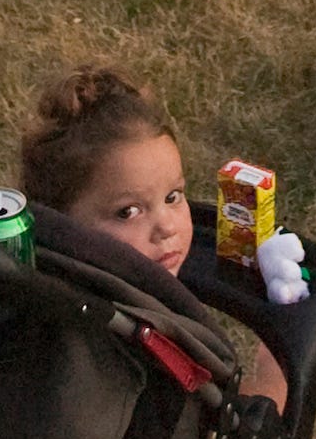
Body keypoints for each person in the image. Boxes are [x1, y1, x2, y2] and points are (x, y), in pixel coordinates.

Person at [19, 66, 286, 409]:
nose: (167, 227)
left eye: (173, 197)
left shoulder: (34, 282)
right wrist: (273, 376)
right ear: (61, 222)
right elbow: (228, 432)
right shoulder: (133, 334)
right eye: (128, 211)